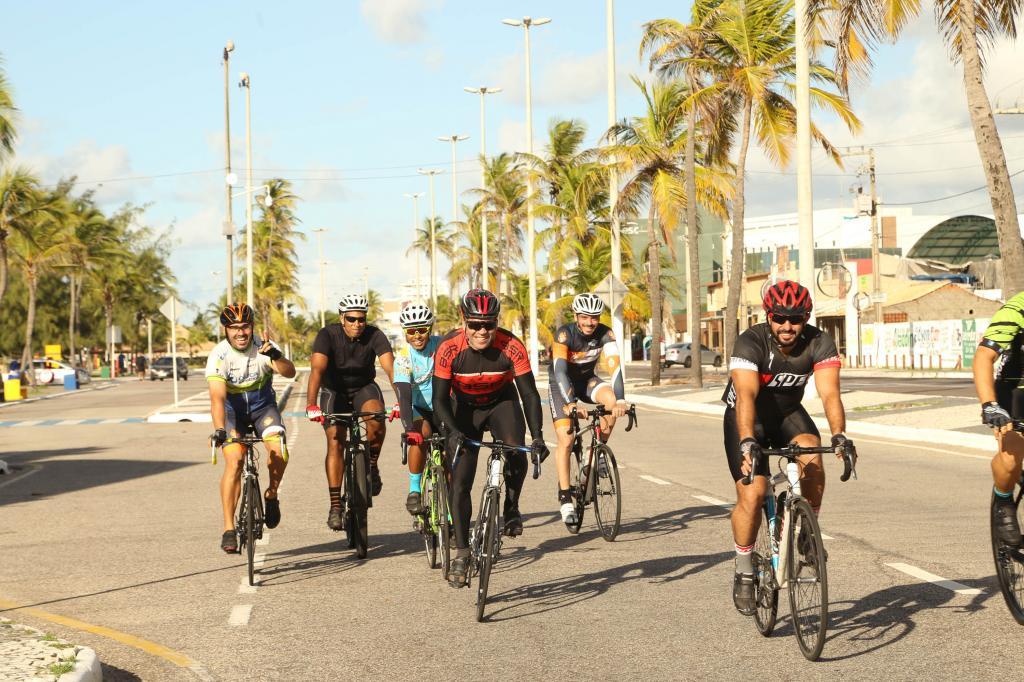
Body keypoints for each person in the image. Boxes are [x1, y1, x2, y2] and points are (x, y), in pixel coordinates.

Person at [723, 280, 856, 615]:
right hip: (746, 417)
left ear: (806, 318)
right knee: (754, 494)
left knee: (813, 453)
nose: (787, 326)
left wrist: (839, 434)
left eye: (795, 319)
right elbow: (747, 395)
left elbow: (830, 394)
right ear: (769, 316)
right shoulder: (750, 341)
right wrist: (746, 442)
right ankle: (743, 567)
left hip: (787, 414)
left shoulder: (819, 342)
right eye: (780, 317)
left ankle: (806, 535)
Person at [432, 289, 549, 587]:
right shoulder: (448, 348)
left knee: (516, 449)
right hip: (462, 408)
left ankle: (511, 506)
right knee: (460, 482)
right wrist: (453, 432)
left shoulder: (511, 345)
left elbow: (529, 394)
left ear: (497, 322)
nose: (482, 331)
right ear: (463, 321)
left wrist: (537, 436)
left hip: (500, 401)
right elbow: (439, 400)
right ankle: (461, 552)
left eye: (489, 324)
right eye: (475, 324)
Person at [207, 303, 296, 553]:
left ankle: (271, 494)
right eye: (234, 328)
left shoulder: (264, 347)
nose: (240, 333)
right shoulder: (219, 355)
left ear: (252, 327)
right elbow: (217, 398)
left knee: (278, 449)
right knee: (234, 461)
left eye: (245, 326)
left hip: (262, 409)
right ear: (226, 330)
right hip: (232, 412)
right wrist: (219, 429)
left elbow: (289, 373)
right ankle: (228, 528)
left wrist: (276, 356)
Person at [306, 294, 397, 531]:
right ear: (342, 318)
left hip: (363, 388)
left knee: (377, 416)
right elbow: (317, 370)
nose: (357, 324)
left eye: (361, 319)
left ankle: (372, 465)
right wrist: (311, 405)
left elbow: (391, 369)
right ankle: (336, 505)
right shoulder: (327, 335)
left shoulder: (375, 334)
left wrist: (402, 403)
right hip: (333, 390)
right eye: (352, 319)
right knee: (335, 440)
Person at [549, 292, 627, 526]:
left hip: (586, 381)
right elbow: (560, 372)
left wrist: (621, 400)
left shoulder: (605, 333)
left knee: (611, 403)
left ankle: (593, 456)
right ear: (576, 316)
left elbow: (615, 367)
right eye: (584, 317)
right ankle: (565, 498)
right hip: (561, 385)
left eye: (594, 317)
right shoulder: (564, 334)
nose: (589, 322)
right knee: (566, 438)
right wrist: (571, 404)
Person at [973, 291, 1024, 546]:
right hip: (1016, 391)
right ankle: (1003, 498)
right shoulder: (1018, 307)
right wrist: (990, 405)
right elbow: (984, 357)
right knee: (1012, 455)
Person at [393, 303, 443, 515]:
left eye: (422, 330)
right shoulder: (404, 358)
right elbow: (404, 397)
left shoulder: (441, 346)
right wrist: (409, 429)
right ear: (405, 333)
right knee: (422, 434)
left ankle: (451, 508)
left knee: (451, 453)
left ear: (429, 329)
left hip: (442, 407)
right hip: (418, 409)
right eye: (411, 331)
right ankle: (414, 490)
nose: (417, 336)